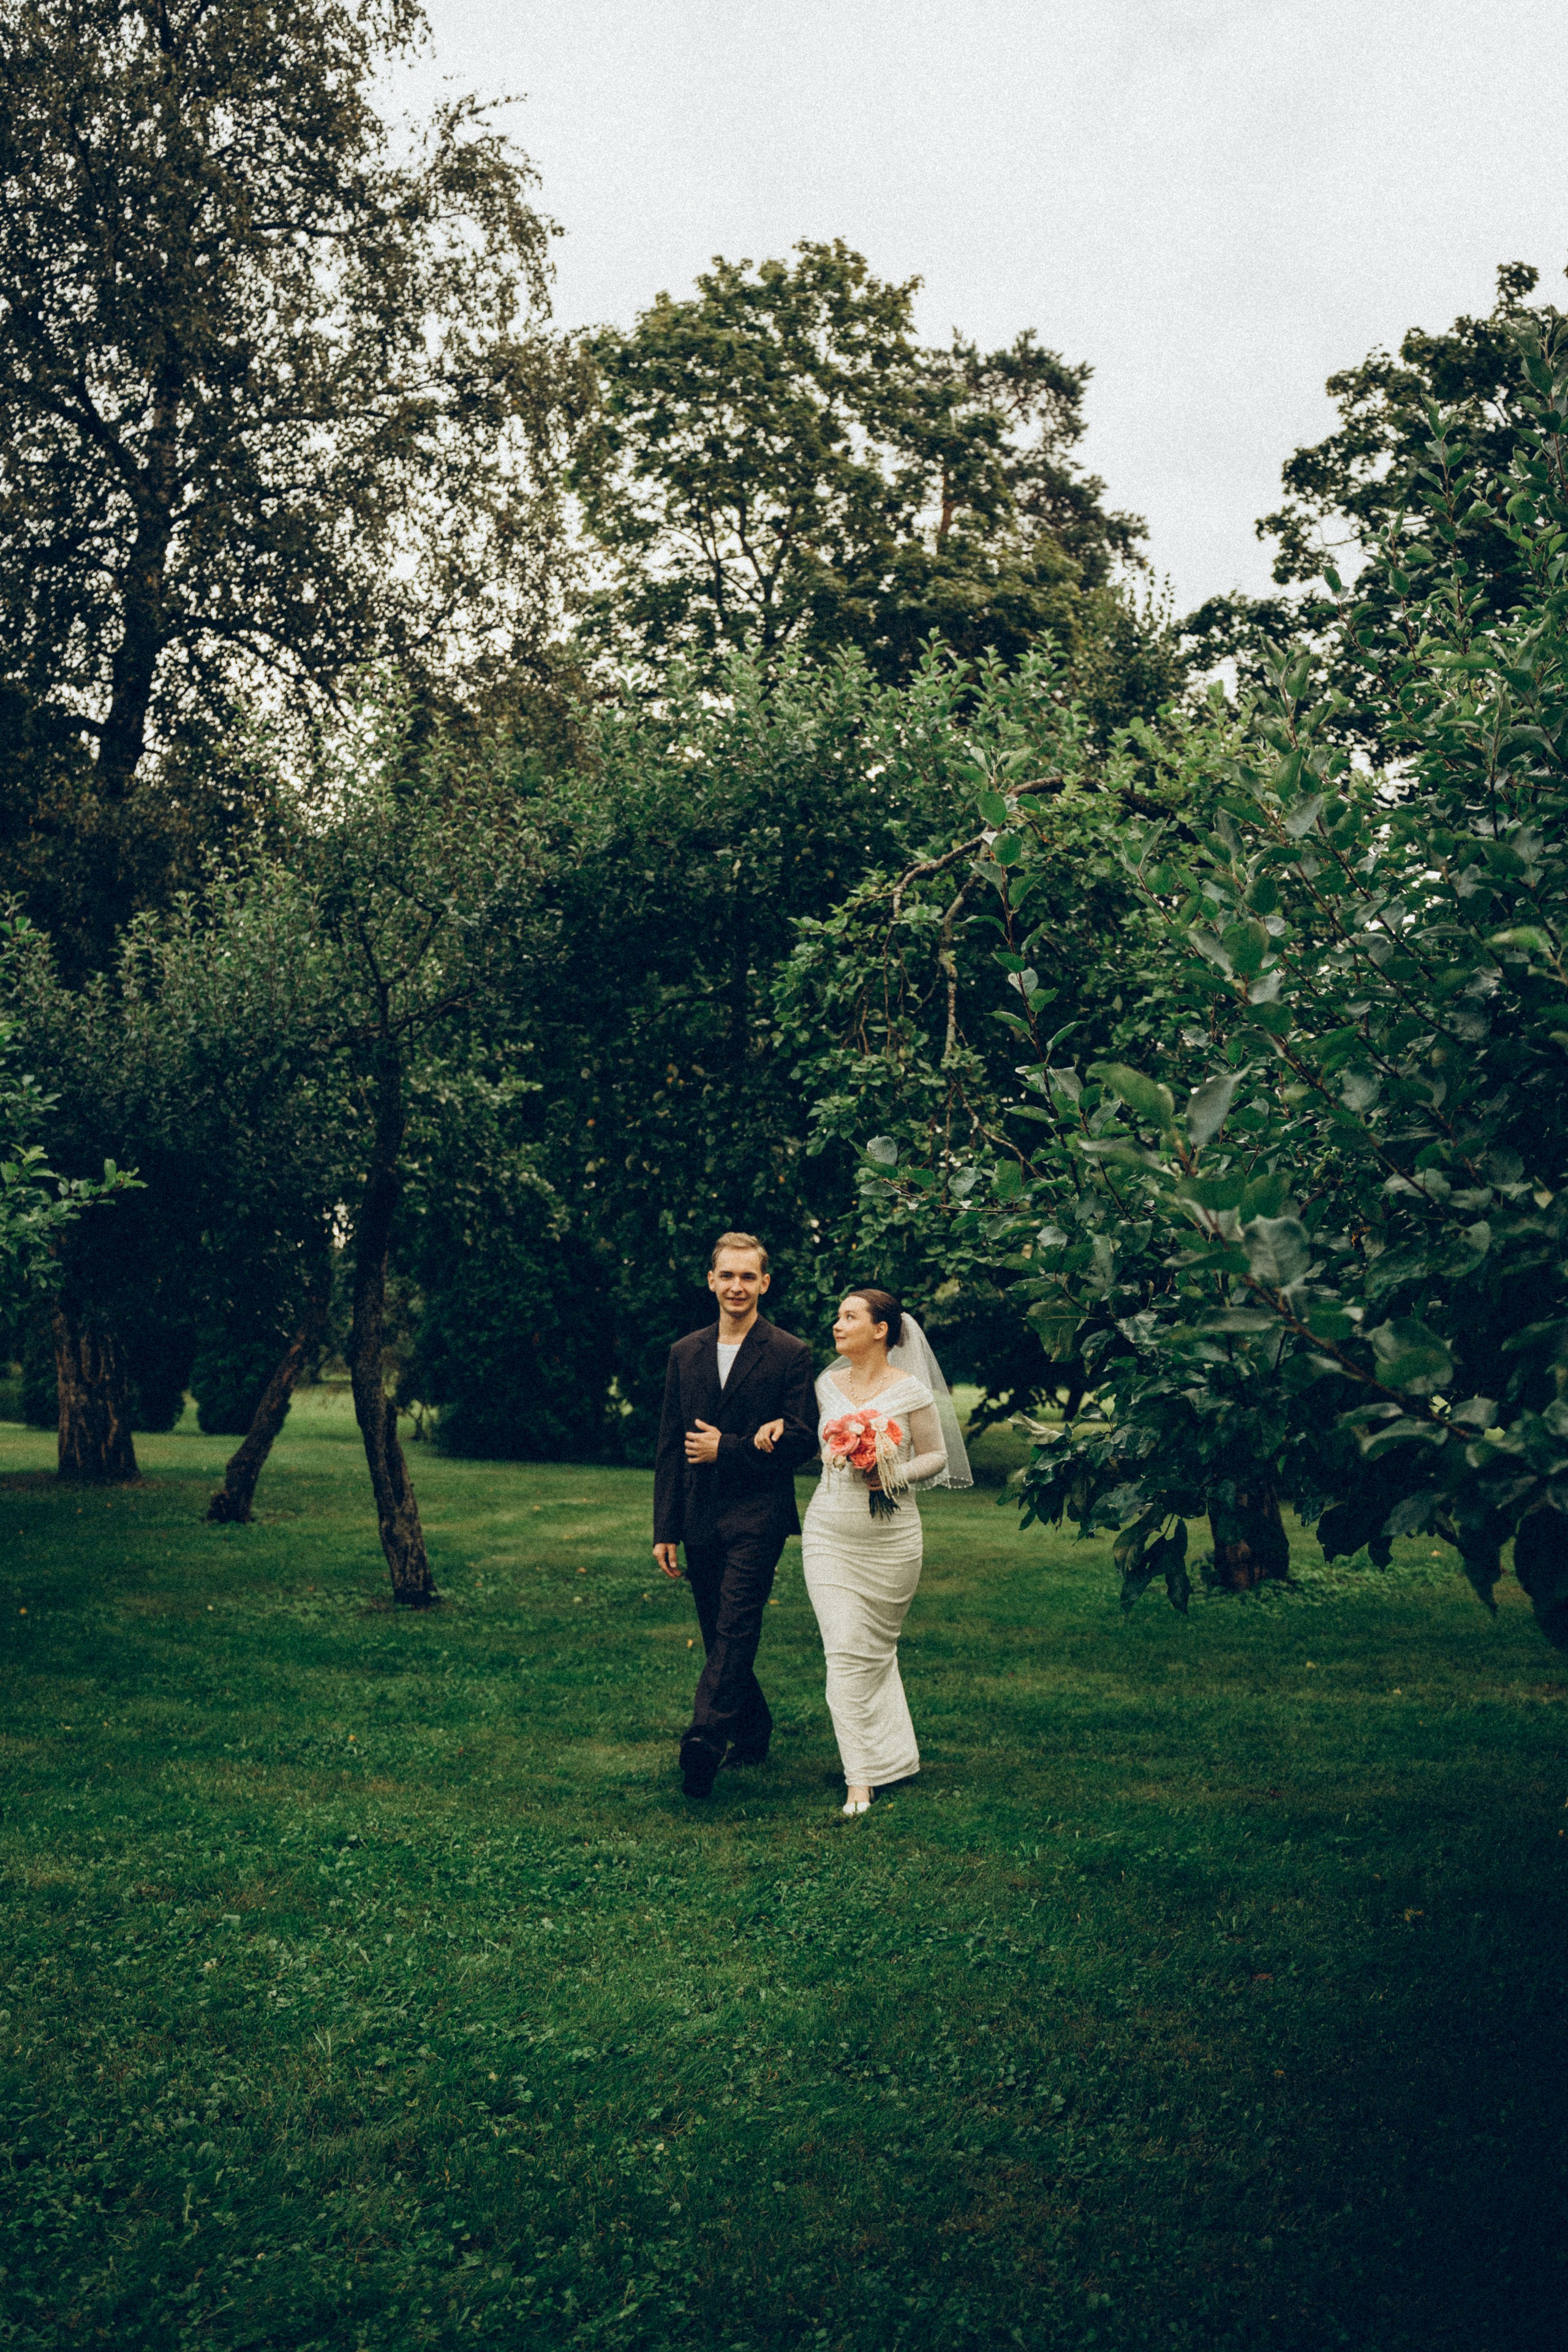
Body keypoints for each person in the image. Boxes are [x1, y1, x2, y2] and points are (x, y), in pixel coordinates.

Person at [778, 1287, 970, 1818]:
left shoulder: (911, 1392)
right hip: (830, 1533)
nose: (836, 1324)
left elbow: (935, 1456)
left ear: (881, 1329)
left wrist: (890, 1472)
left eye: (849, 1316)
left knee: (876, 1652)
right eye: (837, 1314)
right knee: (844, 1650)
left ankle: (895, 1759)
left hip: (893, 1541)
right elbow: (814, 1445)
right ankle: (859, 1778)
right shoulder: (826, 1385)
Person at [652, 1232, 818, 1800]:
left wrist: (730, 1448)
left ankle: (705, 1738)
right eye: (728, 1275)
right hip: (699, 1515)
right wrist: (665, 1528)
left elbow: (800, 1442)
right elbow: (672, 1446)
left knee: (736, 1623)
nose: (737, 1287)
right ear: (711, 1281)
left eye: (748, 1277)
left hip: (759, 1514)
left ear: (764, 1284)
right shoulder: (684, 1352)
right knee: (714, 1627)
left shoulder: (791, 1353)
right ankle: (754, 1726)